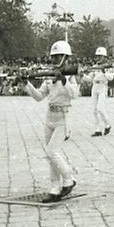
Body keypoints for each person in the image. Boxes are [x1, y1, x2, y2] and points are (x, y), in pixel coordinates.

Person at [20, 40, 79, 203]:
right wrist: (27, 84)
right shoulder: (49, 76)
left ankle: (69, 178)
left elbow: (75, 94)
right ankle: (55, 187)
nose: (55, 59)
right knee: (51, 155)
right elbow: (39, 96)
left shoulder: (70, 75)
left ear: (66, 57)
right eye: (53, 56)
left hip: (63, 117)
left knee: (52, 151)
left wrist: (64, 80)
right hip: (50, 117)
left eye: (59, 56)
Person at [88, 47, 113, 137]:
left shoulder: (107, 66)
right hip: (95, 86)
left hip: (102, 86)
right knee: (94, 110)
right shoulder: (95, 66)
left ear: (104, 57)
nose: (98, 58)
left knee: (100, 108)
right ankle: (97, 129)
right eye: (97, 56)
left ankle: (107, 124)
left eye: (100, 56)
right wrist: (83, 75)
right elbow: (90, 78)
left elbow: (111, 77)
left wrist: (104, 72)